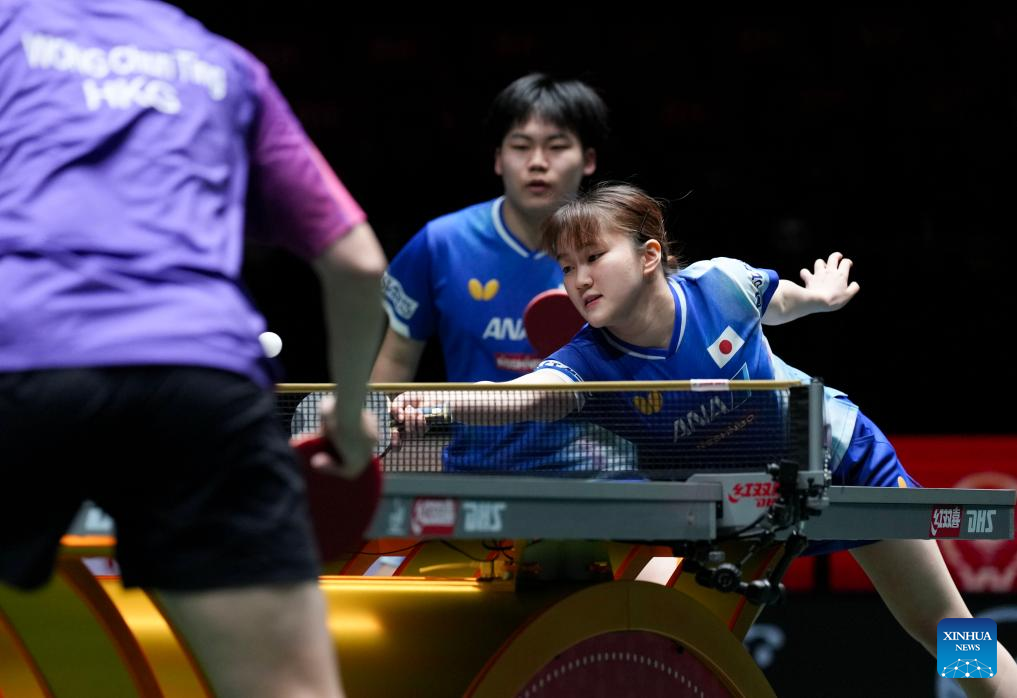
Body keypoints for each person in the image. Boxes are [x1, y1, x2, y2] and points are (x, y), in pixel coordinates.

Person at [394, 183, 1017, 696]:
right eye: (566, 266)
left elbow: (778, 302)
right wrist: (440, 404)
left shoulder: (720, 285)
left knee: (945, 626)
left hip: (842, 459)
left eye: (593, 257)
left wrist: (819, 298)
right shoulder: (586, 364)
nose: (578, 279)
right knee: (679, 644)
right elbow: (522, 396)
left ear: (648, 255)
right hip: (740, 512)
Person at [0, 2, 385, 697]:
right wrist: (351, 416)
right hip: (199, 380)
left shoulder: (9, 30)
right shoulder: (227, 67)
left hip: (19, 353)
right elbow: (358, 263)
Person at [371, 72, 614, 471]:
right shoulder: (441, 244)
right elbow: (396, 361)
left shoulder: (615, 254)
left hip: (597, 474)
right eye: (521, 146)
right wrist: (378, 431)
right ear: (499, 158)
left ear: (588, 159)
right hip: (476, 474)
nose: (538, 162)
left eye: (556, 146)